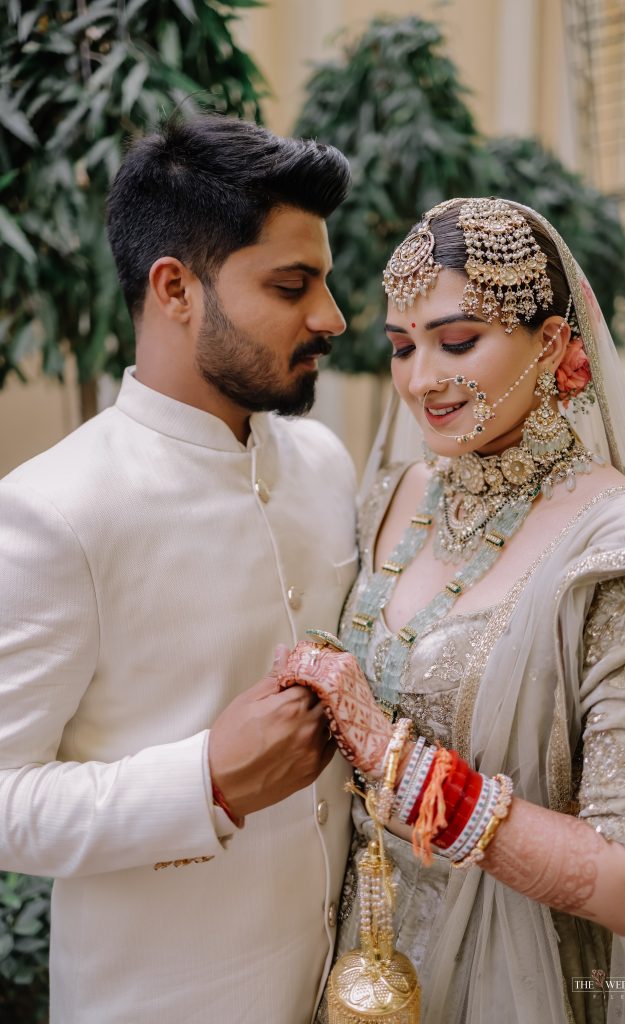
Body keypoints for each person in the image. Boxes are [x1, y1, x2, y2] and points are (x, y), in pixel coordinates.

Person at [278, 197, 625, 1024]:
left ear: (555, 343)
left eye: (457, 342)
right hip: (347, 957)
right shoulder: (393, 494)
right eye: (402, 346)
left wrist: (392, 759)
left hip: (510, 972)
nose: (422, 379)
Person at [0, 115, 360, 1024]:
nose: (331, 317)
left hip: (344, 986)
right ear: (174, 289)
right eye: (292, 285)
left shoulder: (323, 463)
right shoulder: (54, 511)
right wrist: (205, 782)